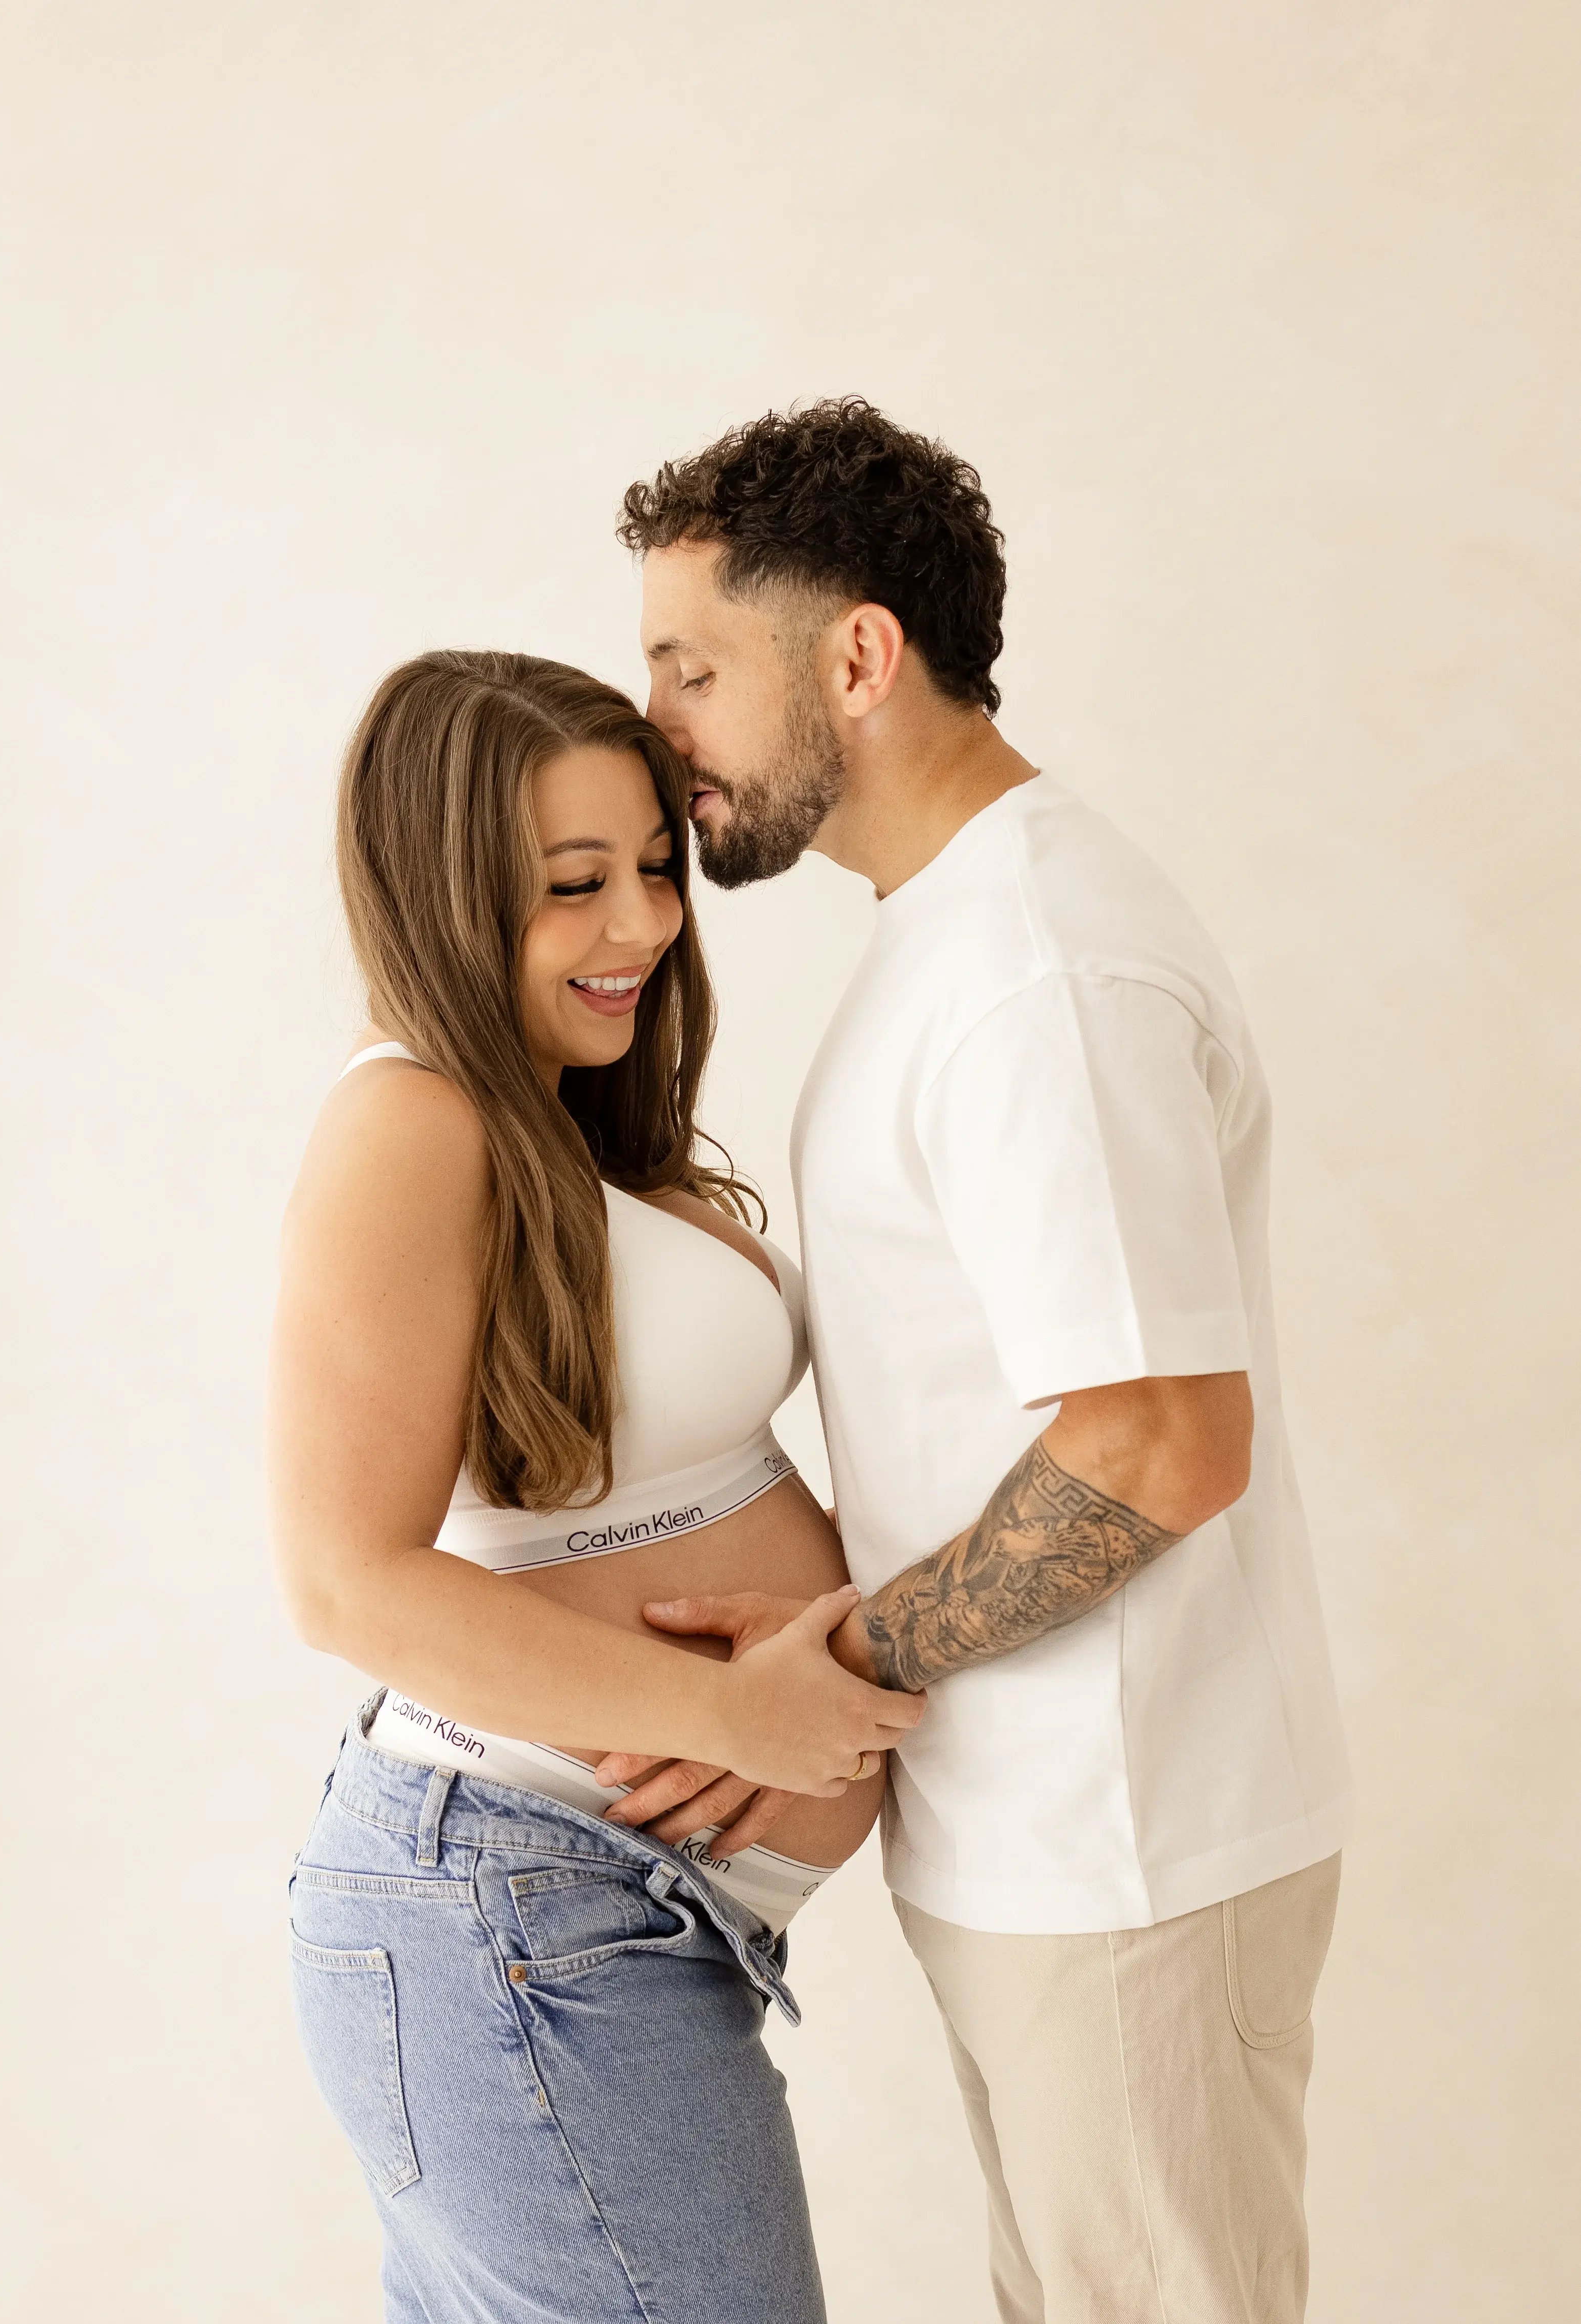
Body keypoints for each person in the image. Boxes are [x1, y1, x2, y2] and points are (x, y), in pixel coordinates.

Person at [604, 400, 1353, 2324]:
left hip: (1126, 1846)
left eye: (691, 667)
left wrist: (834, 1660)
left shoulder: (1038, 969)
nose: (657, 728)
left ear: (855, 656)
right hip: (1046, 1842)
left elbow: (1159, 1447)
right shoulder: (952, 938)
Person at [267, 649, 923, 2324]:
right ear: (435, 892)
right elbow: (345, 1578)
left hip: (567, 1919)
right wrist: (739, 1724)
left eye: (651, 868)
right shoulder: (414, 1121)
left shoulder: (557, 1130)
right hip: (515, 1903)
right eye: (572, 887)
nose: (639, 924)